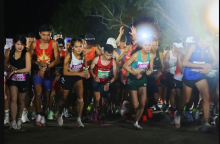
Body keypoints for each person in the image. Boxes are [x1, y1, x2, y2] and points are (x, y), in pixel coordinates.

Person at [174, 29, 218, 131]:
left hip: (200, 75)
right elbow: (185, 63)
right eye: (205, 41)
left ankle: (205, 122)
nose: (207, 44)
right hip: (189, 75)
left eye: (209, 42)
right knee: (186, 99)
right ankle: (178, 114)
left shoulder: (209, 46)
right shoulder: (193, 46)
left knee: (206, 96)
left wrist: (210, 66)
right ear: (201, 39)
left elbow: (216, 59)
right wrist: (202, 65)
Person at [121, 33, 154, 129]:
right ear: (142, 45)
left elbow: (151, 69)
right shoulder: (136, 55)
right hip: (133, 80)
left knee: (142, 103)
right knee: (135, 105)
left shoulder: (151, 56)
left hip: (142, 79)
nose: (148, 47)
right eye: (145, 45)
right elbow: (125, 65)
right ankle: (126, 105)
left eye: (149, 45)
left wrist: (149, 71)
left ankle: (136, 122)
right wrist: (134, 73)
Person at [29, 24, 60, 126]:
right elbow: (28, 58)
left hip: (48, 73)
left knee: (47, 96)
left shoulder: (54, 43)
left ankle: (43, 114)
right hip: (36, 73)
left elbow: (57, 60)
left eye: (48, 35)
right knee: (38, 93)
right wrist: (37, 63)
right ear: (39, 34)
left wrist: (45, 67)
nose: (46, 37)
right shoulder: (34, 44)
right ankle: (38, 115)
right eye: (44, 35)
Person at [57, 38, 90, 127]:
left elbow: (85, 61)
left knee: (80, 98)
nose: (79, 48)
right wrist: (80, 73)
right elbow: (65, 72)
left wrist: (87, 70)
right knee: (64, 99)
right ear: (72, 47)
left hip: (77, 77)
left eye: (80, 46)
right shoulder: (69, 56)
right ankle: (60, 113)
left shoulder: (83, 54)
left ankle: (78, 120)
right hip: (68, 77)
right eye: (76, 47)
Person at [4, 35, 31, 129]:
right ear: (13, 43)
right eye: (18, 44)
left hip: (23, 79)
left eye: (22, 44)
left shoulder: (26, 54)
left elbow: (28, 69)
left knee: (21, 100)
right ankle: (13, 121)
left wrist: (15, 71)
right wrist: (9, 68)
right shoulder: (9, 52)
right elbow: (4, 65)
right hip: (13, 80)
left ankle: (19, 118)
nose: (20, 47)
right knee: (13, 98)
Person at [89, 44, 117, 124]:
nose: (109, 57)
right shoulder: (97, 59)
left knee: (104, 102)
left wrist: (109, 83)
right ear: (103, 52)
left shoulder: (113, 61)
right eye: (107, 55)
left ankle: (100, 116)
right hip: (96, 81)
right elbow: (90, 69)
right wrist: (94, 76)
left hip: (105, 83)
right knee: (97, 99)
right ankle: (95, 110)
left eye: (110, 55)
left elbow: (115, 75)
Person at [142, 35, 164, 122]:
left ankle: (147, 108)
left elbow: (163, 66)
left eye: (157, 45)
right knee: (145, 98)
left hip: (154, 79)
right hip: (145, 78)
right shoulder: (146, 53)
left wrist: (160, 72)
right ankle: (143, 113)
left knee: (156, 99)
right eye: (153, 45)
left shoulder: (160, 53)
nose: (155, 47)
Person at [81, 34, 102, 119]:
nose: (90, 44)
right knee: (82, 94)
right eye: (88, 42)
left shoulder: (95, 48)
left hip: (92, 74)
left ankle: (85, 110)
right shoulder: (80, 48)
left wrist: (93, 60)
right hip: (81, 73)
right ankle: (81, 110)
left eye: (91, 42)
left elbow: (102, 57)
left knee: (89, 94)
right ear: (84, 40)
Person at [162, 39, 183, 117]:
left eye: (179, 47)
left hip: (179, 75)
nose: (178, 48)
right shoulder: (168, 53)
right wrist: (173, 64)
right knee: (173, 92)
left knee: (179, 94)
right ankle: (172, 109)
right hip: (170, 75)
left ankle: (177, 108)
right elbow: (165, 66)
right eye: (177, 47)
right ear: (173, 45)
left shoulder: (181, 53)